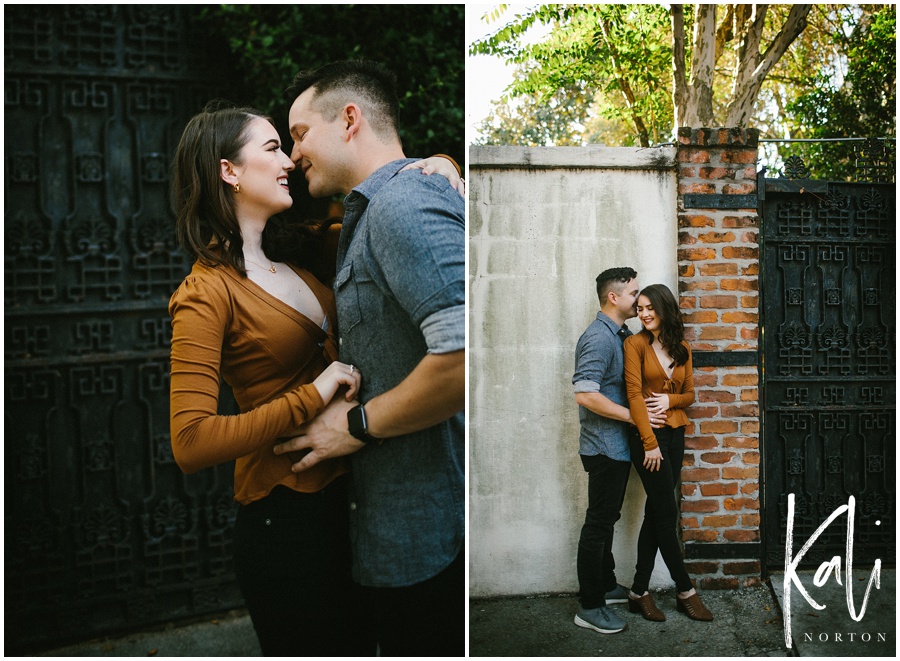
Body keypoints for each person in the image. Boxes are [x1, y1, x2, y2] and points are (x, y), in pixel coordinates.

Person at [167, 102, 460, 656]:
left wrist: (442, 164)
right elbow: (191, 441)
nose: (289, 161)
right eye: (273, 147)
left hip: (352, 504)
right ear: (229, 171)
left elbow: (394, 210)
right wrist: (314, 395)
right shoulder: (204, 293)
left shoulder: (303, 247)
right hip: (286, 522)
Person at [273, 60, 465, 657]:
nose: (292, 153)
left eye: (300, 133)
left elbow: (463, 356)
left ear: (350, 119)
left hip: (430, 539)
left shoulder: (399, 208)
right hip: (398, 533)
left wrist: (355, 426)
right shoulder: (373, 211)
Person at [573, 266, 669, 635]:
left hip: (615, 447)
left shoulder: (620, 333)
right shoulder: (598, 337)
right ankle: (590, 606)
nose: (639, 300)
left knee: (607, 519)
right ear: (613, 297)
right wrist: (634, 416)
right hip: (603, 448)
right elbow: (585, 393)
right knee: (598, 523)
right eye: (633, 294)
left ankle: (607, 585)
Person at [623, 283, 713, 622]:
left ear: (665, 309)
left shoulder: (683, 348)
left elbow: (689, 395)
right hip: (649, 439)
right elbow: (633, 395)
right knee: (666, 513)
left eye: (650, 308)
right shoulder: (634, 344)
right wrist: (649, 443)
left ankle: (638, 591)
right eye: (640, 308)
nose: (644, 314)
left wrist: (668, 400)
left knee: (657, 512)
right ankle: (685, 590)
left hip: (676, 435)